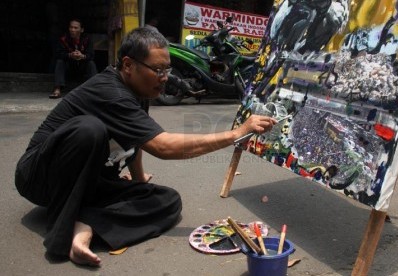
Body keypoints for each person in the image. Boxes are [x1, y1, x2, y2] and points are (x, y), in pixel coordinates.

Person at [15, 26, 276, 266]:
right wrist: (237, 133)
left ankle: (88, 222)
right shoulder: (109, 91)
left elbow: (137, 139)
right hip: (40, 178)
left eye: (167, 70)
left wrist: (139, 183)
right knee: (89, 130)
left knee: (167, 200)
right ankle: (65, 228)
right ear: (128, 65)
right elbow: (163, 147)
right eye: (158, 70)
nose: (164, 78)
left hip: (89, 180)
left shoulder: (138, 92)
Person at [49, 18, 97, 99]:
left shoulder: (87, 39)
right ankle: (57, 89)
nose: (72, 30)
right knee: (60, 61)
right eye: (71, 27)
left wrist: (82, 56)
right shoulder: (63, 39)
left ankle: (95, 89)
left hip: (81, 68)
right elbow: (58, 54)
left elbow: (91, 55)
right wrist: (70, 55)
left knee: (91, 63)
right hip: (69, 68)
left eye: (75, 28)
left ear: (81, 30)